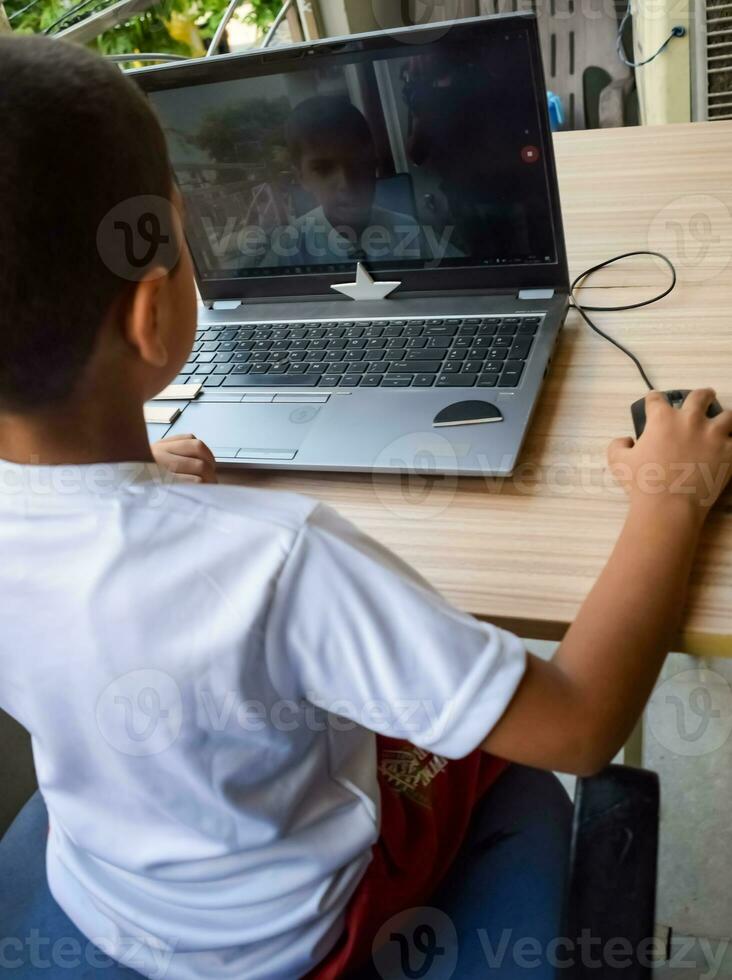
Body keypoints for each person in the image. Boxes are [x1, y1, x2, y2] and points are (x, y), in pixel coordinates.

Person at [0, 36, 730, 980]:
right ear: (150, 314)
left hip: (107, 890)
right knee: (484, 737)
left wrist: (128, 474)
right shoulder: (282, 563)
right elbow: (583, 725)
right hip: (292, 939)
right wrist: (670, 497)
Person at [257, 95, 435, 268]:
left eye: (358, 163)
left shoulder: (410, 231)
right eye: (323, 169)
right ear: (302, 178)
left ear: (374, 163)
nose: (346, 184)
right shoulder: (290, 246)